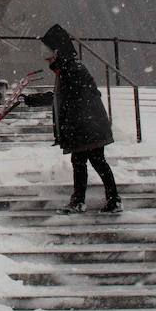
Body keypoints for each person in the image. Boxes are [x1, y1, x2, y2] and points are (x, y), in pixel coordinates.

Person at [25, 24, 122, 214]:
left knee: (89, 162)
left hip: (87, 126)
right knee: (90, 162)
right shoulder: (69, 67)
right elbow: (63, 96)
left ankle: (92, 201)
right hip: (87, 126)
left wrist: (36, 100)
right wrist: (34, 99)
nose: (47, 58)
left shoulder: (72, 69)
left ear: (58, 51)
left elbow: (68, 97)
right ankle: (105, 200)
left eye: (49, 52)